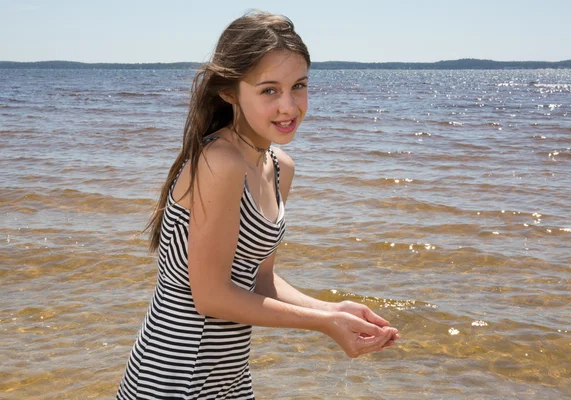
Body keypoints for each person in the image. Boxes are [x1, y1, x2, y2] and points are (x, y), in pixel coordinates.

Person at [116, 11, 399, 400]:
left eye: (298, 86)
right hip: (173, 376)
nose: (288, 106)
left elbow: (259, 279)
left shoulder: (279, 167)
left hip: (229, 377)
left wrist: (334, 310)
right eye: (269, 90)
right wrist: (322, 324)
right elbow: (211, 296)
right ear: (230, 91)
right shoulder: (220, 162)